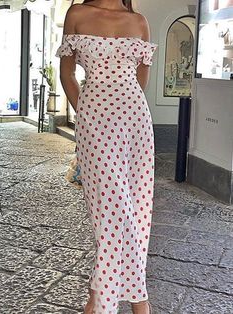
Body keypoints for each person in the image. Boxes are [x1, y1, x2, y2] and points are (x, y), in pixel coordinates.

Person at [56, 1, 158, 313]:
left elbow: (141, 81)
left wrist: (123, 107)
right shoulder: (77, 14)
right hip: (94, 120)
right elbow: (67, 74)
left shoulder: (139, 21)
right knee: (113, 209)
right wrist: (85, 111)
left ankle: (97, 301)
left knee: (137, 207)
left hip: (136, 121)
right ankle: (139, 302)